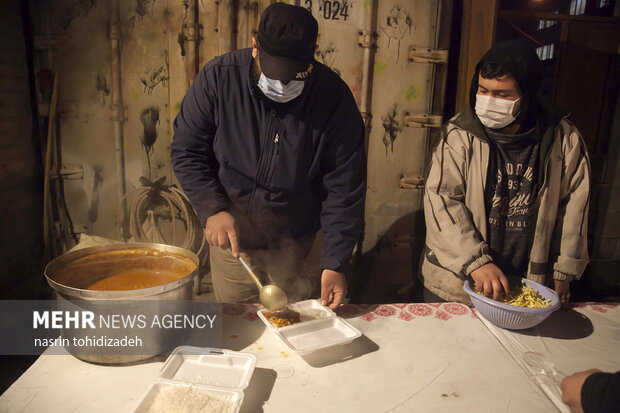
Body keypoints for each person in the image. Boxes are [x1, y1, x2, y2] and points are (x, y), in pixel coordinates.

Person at [171, 3, 366, 309]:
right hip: (232, 239)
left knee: (291, 324)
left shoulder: (333, 98)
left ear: (313, 51)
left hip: (295, 244)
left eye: (292, 75)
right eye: (274, 71)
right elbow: (187, 149)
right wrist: (211, 208)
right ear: (254, 46)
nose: (282, 84)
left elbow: (345, 186)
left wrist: (335, 261)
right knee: (239, 325)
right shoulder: (218, 79)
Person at [421, 40, 590, 304]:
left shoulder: (563, 138)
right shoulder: (459, 136)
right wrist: (476, 262)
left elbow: (575, 206)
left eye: (502, 94)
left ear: (529, 93)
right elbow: (441, 200)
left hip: (527, 284)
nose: (489, 101)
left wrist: (565, 269)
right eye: (483, 90)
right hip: (458, 285)